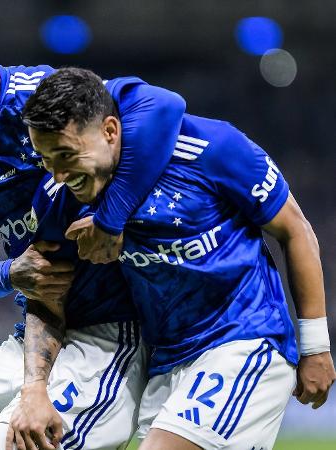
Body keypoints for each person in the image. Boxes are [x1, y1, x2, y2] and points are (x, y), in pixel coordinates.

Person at [0, 10, 186, 450]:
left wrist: (112, 217)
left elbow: (161, 107)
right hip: (35, 333)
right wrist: (11, 272)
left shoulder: (42, 99)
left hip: (109, 327)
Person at [21, 67, 336, 450]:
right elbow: (45, 293)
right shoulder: (60, 198)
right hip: (166, 364)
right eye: (46, 158)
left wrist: (315, 345)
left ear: (110, 131)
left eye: (67, 154)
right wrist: (34, 387)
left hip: (244, 339)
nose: (57, 173)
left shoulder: (211, 148)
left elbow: (295, 230)